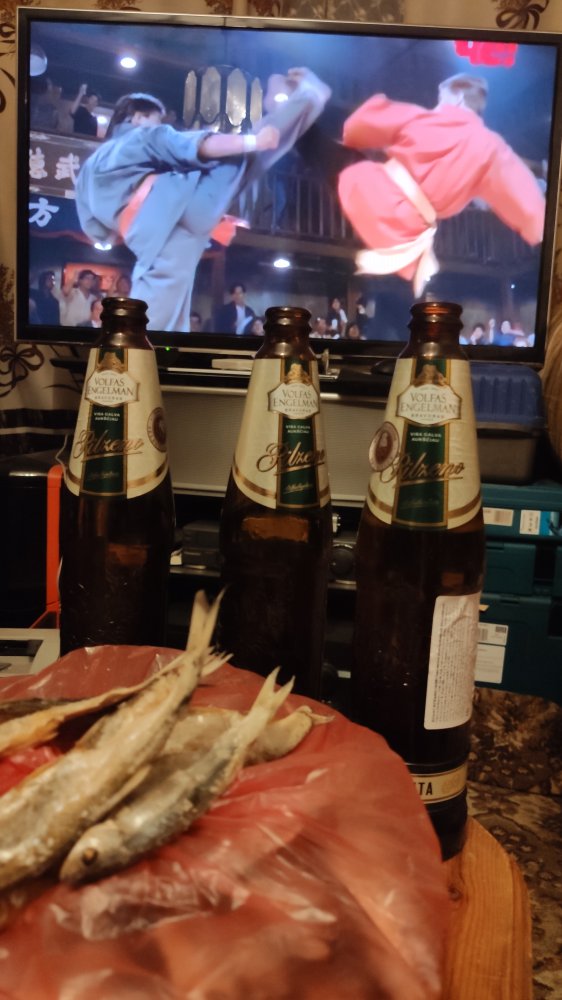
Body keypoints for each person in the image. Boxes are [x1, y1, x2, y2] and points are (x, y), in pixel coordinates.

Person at [75, 68, 331, 333]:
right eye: (156, 119)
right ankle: (308, 98)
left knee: (157, 319)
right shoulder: (143, 135)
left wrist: (139, 225)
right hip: (184, 208)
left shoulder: (87, 172)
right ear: (138, 117)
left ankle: (307, 101)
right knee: (245, 155)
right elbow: (198, 145)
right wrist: (253, 140)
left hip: (150, 239)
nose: (160, 124)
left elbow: (100, 233)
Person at [337, 74, 546, 297]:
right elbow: (531, 208)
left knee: (338, 161)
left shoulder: (423, 117)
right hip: (408, 233)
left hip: (369, 192)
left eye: (441, 98)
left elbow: (359, 124)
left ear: (458, 97)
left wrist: (352, 135)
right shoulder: (493, 149)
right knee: (397, 293)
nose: (437, 105)